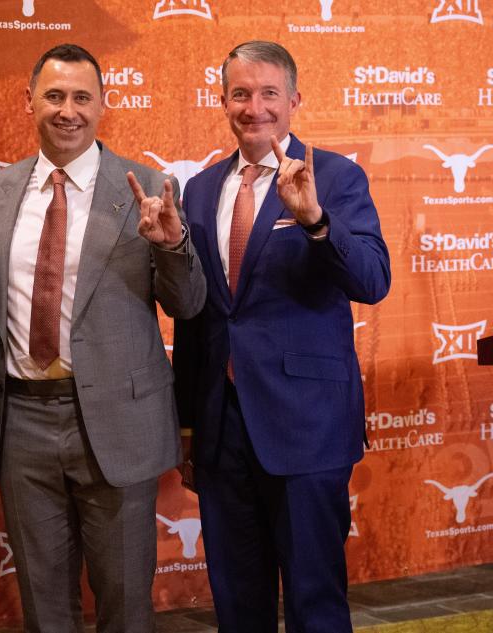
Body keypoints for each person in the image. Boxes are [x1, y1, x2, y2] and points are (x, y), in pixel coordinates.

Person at [0, 43, 206, 633]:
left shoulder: (149, 187)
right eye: (54, 96)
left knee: (125, 606)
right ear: (28, 101)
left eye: (82, 97)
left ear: (105, 104)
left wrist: (172, 247)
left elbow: (189, 303)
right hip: (22, 421)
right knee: (44, 608)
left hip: (116, 424)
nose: (67, 110)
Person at [174, 40, 391, 633]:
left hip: (308, 428)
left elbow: (373, 281)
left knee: (314, 601)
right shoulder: (199, 189)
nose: (255, 106)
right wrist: (189, 427)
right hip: (222, 432)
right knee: (238, 606)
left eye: (269, 92)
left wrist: (316, 221)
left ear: (293, 99)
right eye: (241, 93)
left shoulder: (337, 177)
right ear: (222, 101)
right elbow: (199, 317)